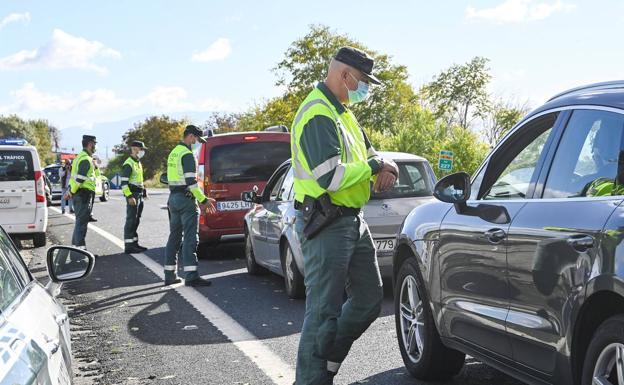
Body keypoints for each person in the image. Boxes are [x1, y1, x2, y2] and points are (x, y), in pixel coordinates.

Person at [291, 46, 399, 385]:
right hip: (326, 223)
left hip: (353, 219)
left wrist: (386, 163)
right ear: (344, 75)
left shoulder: (344, 113)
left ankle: (325, 364)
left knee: (368, 301)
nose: (364, 88)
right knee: (322, 313)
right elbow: (330, 177)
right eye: (363, 81)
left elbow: (371, 153)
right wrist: (372, 166)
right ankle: (311, 379)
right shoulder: (318, 113)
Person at [163, 125, 216, 287]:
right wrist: (204, 200)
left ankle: (169, 274)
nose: (199, 143)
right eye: (198, 140)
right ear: (191, 137)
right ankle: (191, 275)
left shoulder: (174, 152)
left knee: (174, 237)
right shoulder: (186, 154)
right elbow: (191, 183)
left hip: (173, 198)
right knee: (191, 238)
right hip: (186, 200)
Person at [65, 135, 98, 251]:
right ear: (90, 144)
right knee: (81, 224)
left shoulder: (79, 157)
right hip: (84, 195)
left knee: (79, 223)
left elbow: (72, 178)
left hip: (80, 194)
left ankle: (76, 251)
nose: (95, 146)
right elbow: (79, 179)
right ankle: (80, 253)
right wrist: (71, 191)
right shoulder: (85, 159)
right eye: (95, 144)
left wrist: (70, 190)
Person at [121, 140, 149, 254]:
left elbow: (139, 180)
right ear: (134, 149)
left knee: (136, 220)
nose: (142, 151)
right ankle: (129, 246)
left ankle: (134, 243)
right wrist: (129, 196)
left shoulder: (137, 162)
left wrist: (144, 191)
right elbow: (123, 184)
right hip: (132, 195)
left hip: (139, 194)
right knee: (131, 220)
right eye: (141, 149)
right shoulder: (129, 163)